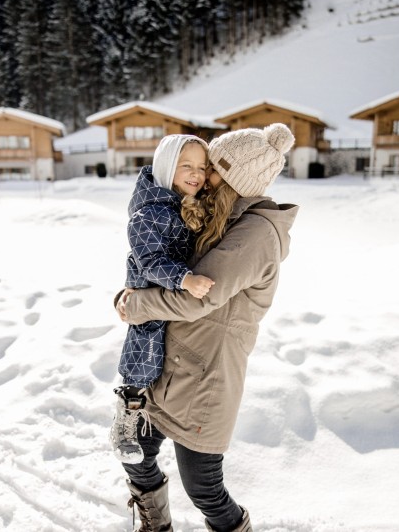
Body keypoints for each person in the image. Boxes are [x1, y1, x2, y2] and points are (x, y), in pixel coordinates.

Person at [115, 123, 298, 532]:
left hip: (206, 378)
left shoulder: (255, 234)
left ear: (233, 178)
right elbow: (162, 265)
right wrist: (130, 291)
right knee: (136, 451)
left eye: (213, 167)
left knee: (203, 488)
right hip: (175, 365)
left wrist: (136, 304)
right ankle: (156, 525)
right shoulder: (222, 218)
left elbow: (199, 296)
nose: (204, 175)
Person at [110, 134, 215, 465]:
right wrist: (184, 278)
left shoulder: (186, 203)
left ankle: (151, 412)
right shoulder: (148, 213)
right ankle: (125, 422)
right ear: (167, 167)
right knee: (144, 357)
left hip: (174, 294)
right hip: (148, 294)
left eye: (202, 166)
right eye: (186, 166)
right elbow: (151, 260)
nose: (196, 173)